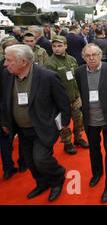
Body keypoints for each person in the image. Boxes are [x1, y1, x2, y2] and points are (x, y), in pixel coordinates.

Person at [1, 44, 71, 202]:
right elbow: (4, 101)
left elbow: (63, 102)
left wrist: (62, 124)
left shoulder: (47, 76)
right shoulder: (6, 75)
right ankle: (42, 183)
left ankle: (58, 178)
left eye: (9, 60)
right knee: (30, 161)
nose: (5, 64)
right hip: (21, 129)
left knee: (41, 159)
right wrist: (5, 122)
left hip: (43, 127)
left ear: (23, 62)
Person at [75, 43, 107, 203]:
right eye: (87, 55)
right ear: (83, 57)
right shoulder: (79, 72)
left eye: (94, 55)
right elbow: (80, 90)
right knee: (94, 150)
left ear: (100, 55)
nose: (91, 58)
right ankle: (97, 173)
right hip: (90, 119)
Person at [44, 36, 89, 155]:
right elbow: (49, 85)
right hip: (61, 100)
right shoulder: (50, 64)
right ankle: (67, 142)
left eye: (59, 46)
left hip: (76, 97)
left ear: (65, 46)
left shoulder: (72, 59)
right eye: (54, 46)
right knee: (64, 123)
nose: (57, 49)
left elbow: (77, 77)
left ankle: (78, 138)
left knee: (79, 119)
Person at [0, 38, 27, 180]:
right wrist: (3, 119)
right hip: (6, 112)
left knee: (23, 138)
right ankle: (8, 167)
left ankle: (23, 162)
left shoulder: (25, 67)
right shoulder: (3, 70)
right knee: (5, 141)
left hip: (21, 111)